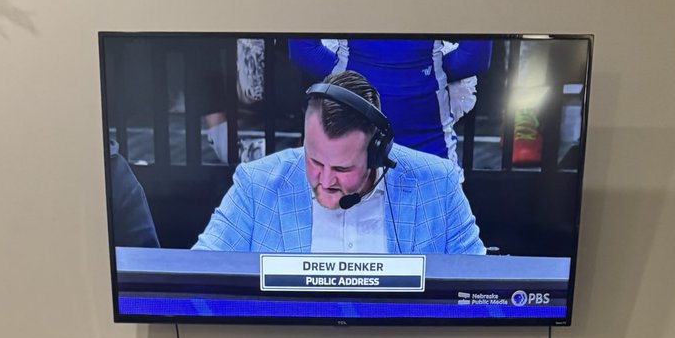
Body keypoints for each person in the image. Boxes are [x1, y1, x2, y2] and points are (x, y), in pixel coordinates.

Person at [191, 70, 487, 255]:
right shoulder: (256, 185)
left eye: (343, 168)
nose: (326, 180)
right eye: (315, 161)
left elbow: (477, 289)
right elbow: (199, 276)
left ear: (376, 152)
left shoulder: (438, 184)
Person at [288, 38, 492, 169]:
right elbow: (473, 58)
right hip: (356, 156)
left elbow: (474, 58)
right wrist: (422, 72)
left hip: (427, 149)